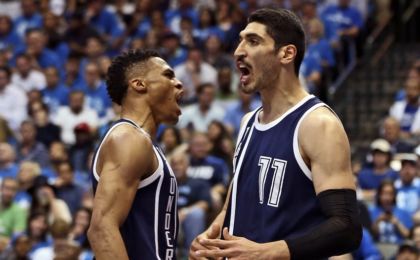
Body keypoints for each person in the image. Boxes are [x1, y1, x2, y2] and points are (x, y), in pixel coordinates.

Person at [190, 8, 362, 259]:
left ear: (286, 53)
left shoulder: (317, 123)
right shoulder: (248, 122)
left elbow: (346, 228)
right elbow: (235, 203)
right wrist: (211, 236)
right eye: (240, 40)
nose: (238, 51)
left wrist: (267, 252)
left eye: (253, 41)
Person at [87, 49, 184, 259]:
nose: (178, 83)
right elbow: (102, 229)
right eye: (168, 75)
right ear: (139, 84)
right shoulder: (128, 138)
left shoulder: (143, 142)